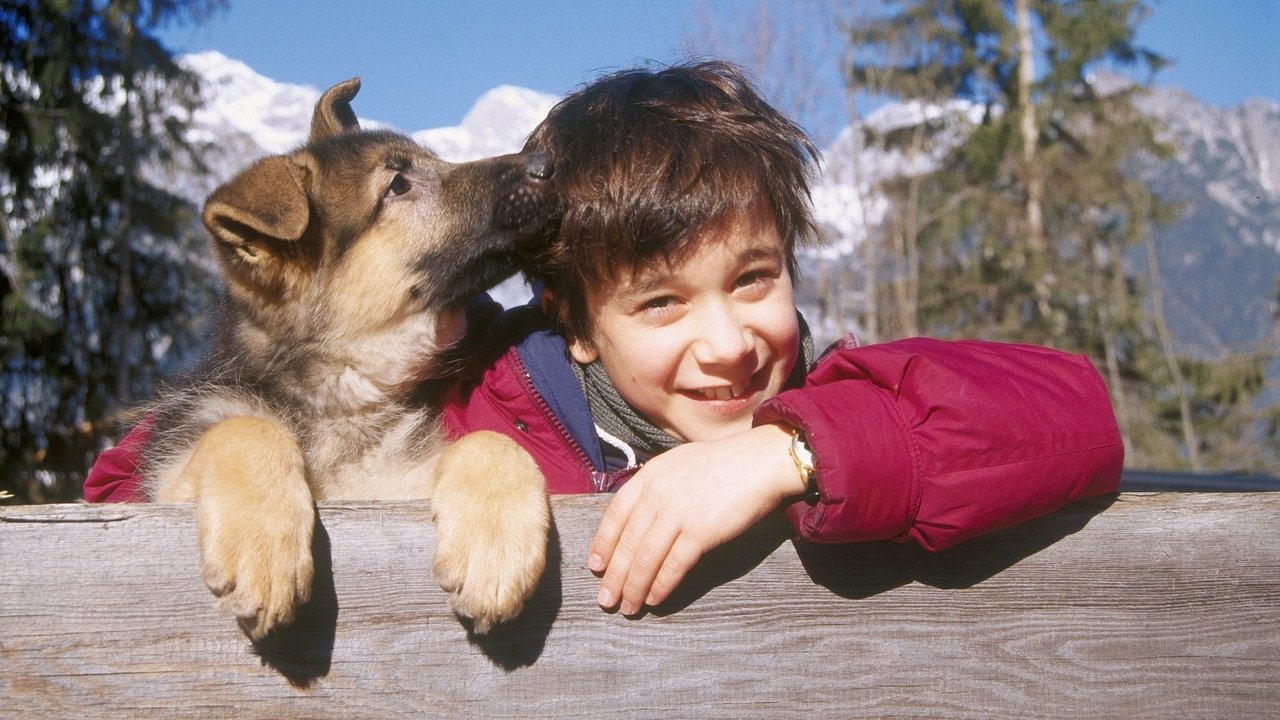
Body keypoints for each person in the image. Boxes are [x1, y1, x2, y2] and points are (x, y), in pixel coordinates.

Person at [85, 61, 1123, 618]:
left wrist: (790, 451)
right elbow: (125, 486)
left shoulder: (841, 391)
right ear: (572, 325)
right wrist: (240, 457)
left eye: (753, 280)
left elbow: (1073, 416)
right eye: (660, 304)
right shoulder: (484, 397)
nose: (726, 344)